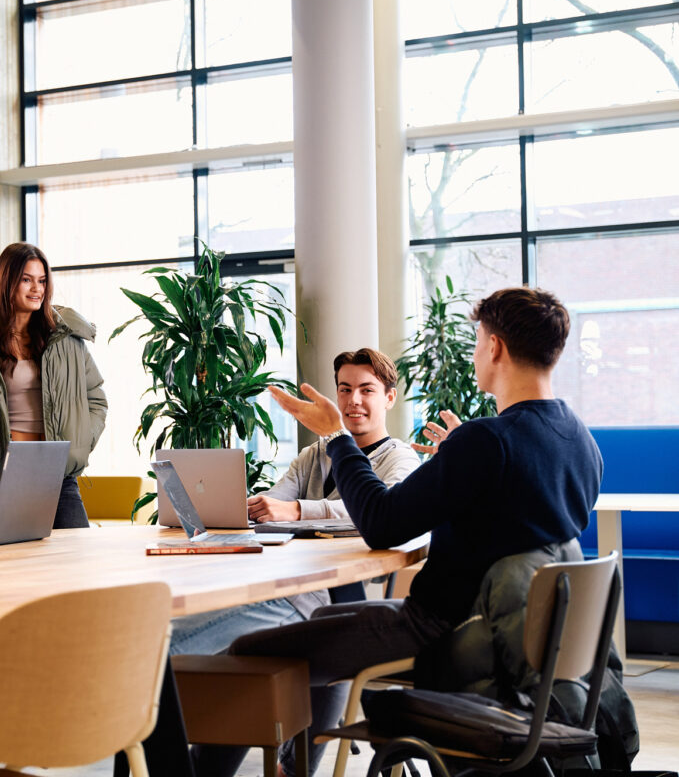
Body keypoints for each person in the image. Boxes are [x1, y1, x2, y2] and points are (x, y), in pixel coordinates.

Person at [195, 286, 601, 777]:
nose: (476, 353)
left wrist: (337, 438)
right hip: (508, 638)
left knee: (247, 654)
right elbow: (518, 513)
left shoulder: (487, 442)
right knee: (319, 628)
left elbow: (382, 524)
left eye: (477, 342)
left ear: (494, 347)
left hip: (441, 630)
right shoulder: (579, 440)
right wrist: (461, 456)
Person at [169, 347, 421, 655]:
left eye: (366, 390)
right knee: (177, 622)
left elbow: (379, 511)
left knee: (169, 645)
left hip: (314, 592)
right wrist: (244, 507)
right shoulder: (313, 455)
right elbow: (276, 502)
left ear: (390, 399)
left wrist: (298, 510)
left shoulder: (400, 457)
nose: (353, 400)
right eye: (345, 390)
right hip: (278, 577)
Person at [0, 242, 107, 528]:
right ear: (6, 283)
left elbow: (96, 400)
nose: (37, 289)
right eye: (26, 280)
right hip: (1, 479)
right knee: (8, 569)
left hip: (57, 475)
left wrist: (78, 446)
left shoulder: (66, 338)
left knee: (76, 562)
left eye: (42, 281)